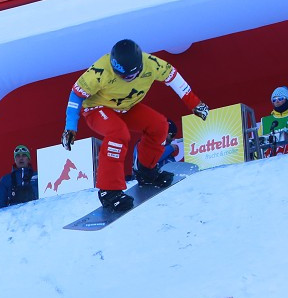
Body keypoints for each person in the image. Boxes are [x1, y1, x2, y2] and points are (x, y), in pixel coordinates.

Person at [61, 39, 209, 212]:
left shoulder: (151, 64)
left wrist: (195, 104)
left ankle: (146, 170)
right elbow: (76, 95)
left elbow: (174, 78)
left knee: (159, 125)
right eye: (120, 75)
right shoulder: (100, 71)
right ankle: (109, 191)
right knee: (118, 134)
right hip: (97, 108)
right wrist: (70, 126)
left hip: (126, 107)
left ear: (139, 67)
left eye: (130, 76)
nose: (125, 79)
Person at [258, 86, 288, 157]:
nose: (277, 101)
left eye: (280, 98)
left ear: (287, 100)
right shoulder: (265, 121)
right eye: (274, 100)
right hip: (270, 163)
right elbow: (257, 146)